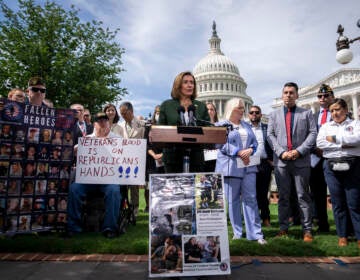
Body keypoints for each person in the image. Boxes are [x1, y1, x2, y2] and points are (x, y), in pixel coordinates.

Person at [267, 82, 317, 242]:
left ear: (297, 95)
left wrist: (299, 151)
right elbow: (270, 135)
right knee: (283, 197)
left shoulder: (306, 113)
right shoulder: (274, 115)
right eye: (286, 92)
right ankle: (283, 228)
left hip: (300, 161)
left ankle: (307, 230)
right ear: (282, 95)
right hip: (281, 162)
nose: (288, 95)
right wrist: (282, 153)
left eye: (291, 92)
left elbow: (312, 133)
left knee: (303, 196)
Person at [215, 98, 266, 244]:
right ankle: (237, 232)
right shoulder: (221, 125)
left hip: (248, 166)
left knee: (251, 199)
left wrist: (250, 150)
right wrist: (238, 151)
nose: (242, 111)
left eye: (243, 108)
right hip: (231, 167)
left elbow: (254, 143)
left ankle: (256, 234)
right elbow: (220, 144)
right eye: (239, 108)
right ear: (231, 108)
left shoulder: (246, 125)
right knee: (233, 201)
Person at [67, 112, 121, 238]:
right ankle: (73, 227)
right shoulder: (88, 139)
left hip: (108, 180)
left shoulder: (117, 140)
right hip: (88, 180)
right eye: (99, 121)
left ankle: (109, 228)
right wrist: (76, 149)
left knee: (114, 190)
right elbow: (74, 150)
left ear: (109, 123)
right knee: (74, 188)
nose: (102, 123)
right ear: (94, 124)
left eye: (104, 120)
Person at [316, 98, 360, 248]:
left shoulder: (355, 124)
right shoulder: (325, 126)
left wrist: (334, 140)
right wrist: (346, 143)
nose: (335, 113)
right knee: (337, 202)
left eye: (338, 109)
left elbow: (358, 139)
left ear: (346, 110)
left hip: (353, 165)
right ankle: (342, 235)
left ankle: (358, 235)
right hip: (331, 166)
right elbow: (320, 143)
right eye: (332, 110)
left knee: (354, 202)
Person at [159, 71, 210, 173]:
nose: (190, 85)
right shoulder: (167, 105)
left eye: (192, 82)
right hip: (172, 157)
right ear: (178, 86)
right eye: (185, 82)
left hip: (196, 158)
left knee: (195, 189)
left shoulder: (201, 106)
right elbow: (160, 130)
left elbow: (208, 128)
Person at [309, 84, 334, 233]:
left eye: (326, 96)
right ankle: (322, 224)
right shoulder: (313, 116)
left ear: (332, 97)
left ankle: (347, 227)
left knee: (338, 193)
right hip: (316, 159)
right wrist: (316, 149)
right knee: (317, 194)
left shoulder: (339, 114)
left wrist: (326, 147)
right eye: (320, 96)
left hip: (333, 157)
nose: (323, 99)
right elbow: (309, 136)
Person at [248, 105, 273, 227]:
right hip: (250, 162)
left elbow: (273, 144)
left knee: (263, 193)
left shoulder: (267, 128)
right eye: (251, 112)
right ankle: (253, 219)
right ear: (248, 115)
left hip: (264, 163)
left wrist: (271, 160)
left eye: (256, 112)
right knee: (251, 192)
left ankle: (266, 218)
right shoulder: (245, 128)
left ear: (260, 115)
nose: (254, 114)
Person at [119, 102, 145, 217]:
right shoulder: (120, 125)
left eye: (125, 113)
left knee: (134, 186)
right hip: (123, 159)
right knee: (123, 186)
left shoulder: (142, 124)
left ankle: (135, 208)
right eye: (121, 114)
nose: (123, 115)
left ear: (131, 111)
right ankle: (124, 207)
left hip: (137, 159)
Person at [145, 105, 164, 212]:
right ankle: (150, 207)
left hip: (164, 159)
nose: (158, 115)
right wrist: (154, 155)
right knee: (150, 186)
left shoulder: (168, 127)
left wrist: (162, 155)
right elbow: (146, 144)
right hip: (151, 160)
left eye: (160, 113)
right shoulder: (148, 128)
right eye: (157, 113)